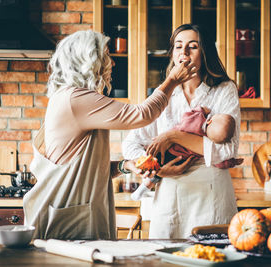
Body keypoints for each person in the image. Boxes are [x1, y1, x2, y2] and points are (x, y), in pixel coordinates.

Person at [23, 30, 196, 240]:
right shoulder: (75, 99)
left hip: (73, 214)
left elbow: (85, 170)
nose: (112, 64)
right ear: (88, 61)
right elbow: (143, 114)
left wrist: (124, 166)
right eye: (106, 57)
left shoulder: (70, 97)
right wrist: (172, 80)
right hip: (67, 220)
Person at [122, 24, 241, 238]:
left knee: (211, 255)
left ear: (205, 53)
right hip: (169, 193)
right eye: (178, 47)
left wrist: (174, 136)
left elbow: (227, 151)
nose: (184, 53)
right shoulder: (164, 94)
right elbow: (130, 144)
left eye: (192, 46)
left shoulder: (225, 89)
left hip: (212, 192)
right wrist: (156, 169)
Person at [130, 106, 244, 200]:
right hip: (182, 159)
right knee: (158, 171)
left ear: (210, 120)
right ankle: (144, 187)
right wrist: (232, 161)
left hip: (169, 149)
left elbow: (187, 116)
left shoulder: (197, 120)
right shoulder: (207, 142)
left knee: (155, 165)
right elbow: (219, 162)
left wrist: (201, 110)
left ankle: (143, 188)